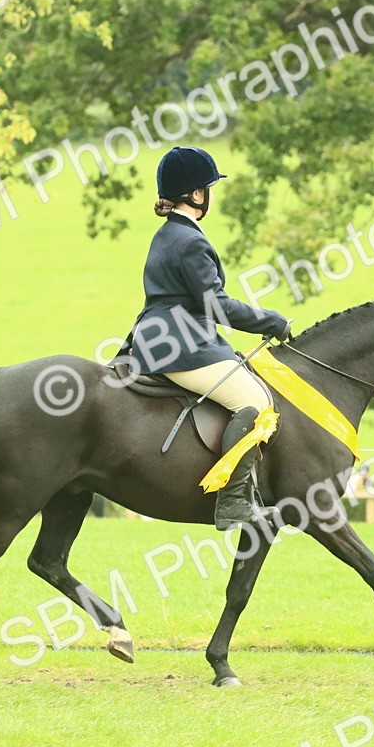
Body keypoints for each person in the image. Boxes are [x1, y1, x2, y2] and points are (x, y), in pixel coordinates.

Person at [121, 146, 291, 530]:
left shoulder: (167, 234)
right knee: (259, 404)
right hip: (182, 347)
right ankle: (232, 502)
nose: (210, 195)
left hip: (158, 340)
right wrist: (272, 321)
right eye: (208, 189)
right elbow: (217, 306)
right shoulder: (191, 241)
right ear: (196, 194)